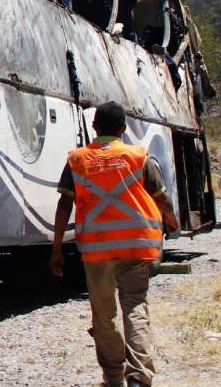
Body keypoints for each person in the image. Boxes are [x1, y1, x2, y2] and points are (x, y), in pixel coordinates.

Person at [49, 101, 180, 387]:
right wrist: (171, 221)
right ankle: (139, 378)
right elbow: (161, 197)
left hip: (97, 251)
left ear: (94, 127)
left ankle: (112, 377)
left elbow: (64, 204)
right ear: (123, 129)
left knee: (104, 315)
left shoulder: (77, 159)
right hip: (136, 245)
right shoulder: (138, 156)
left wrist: (57, 248)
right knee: (135, 307)